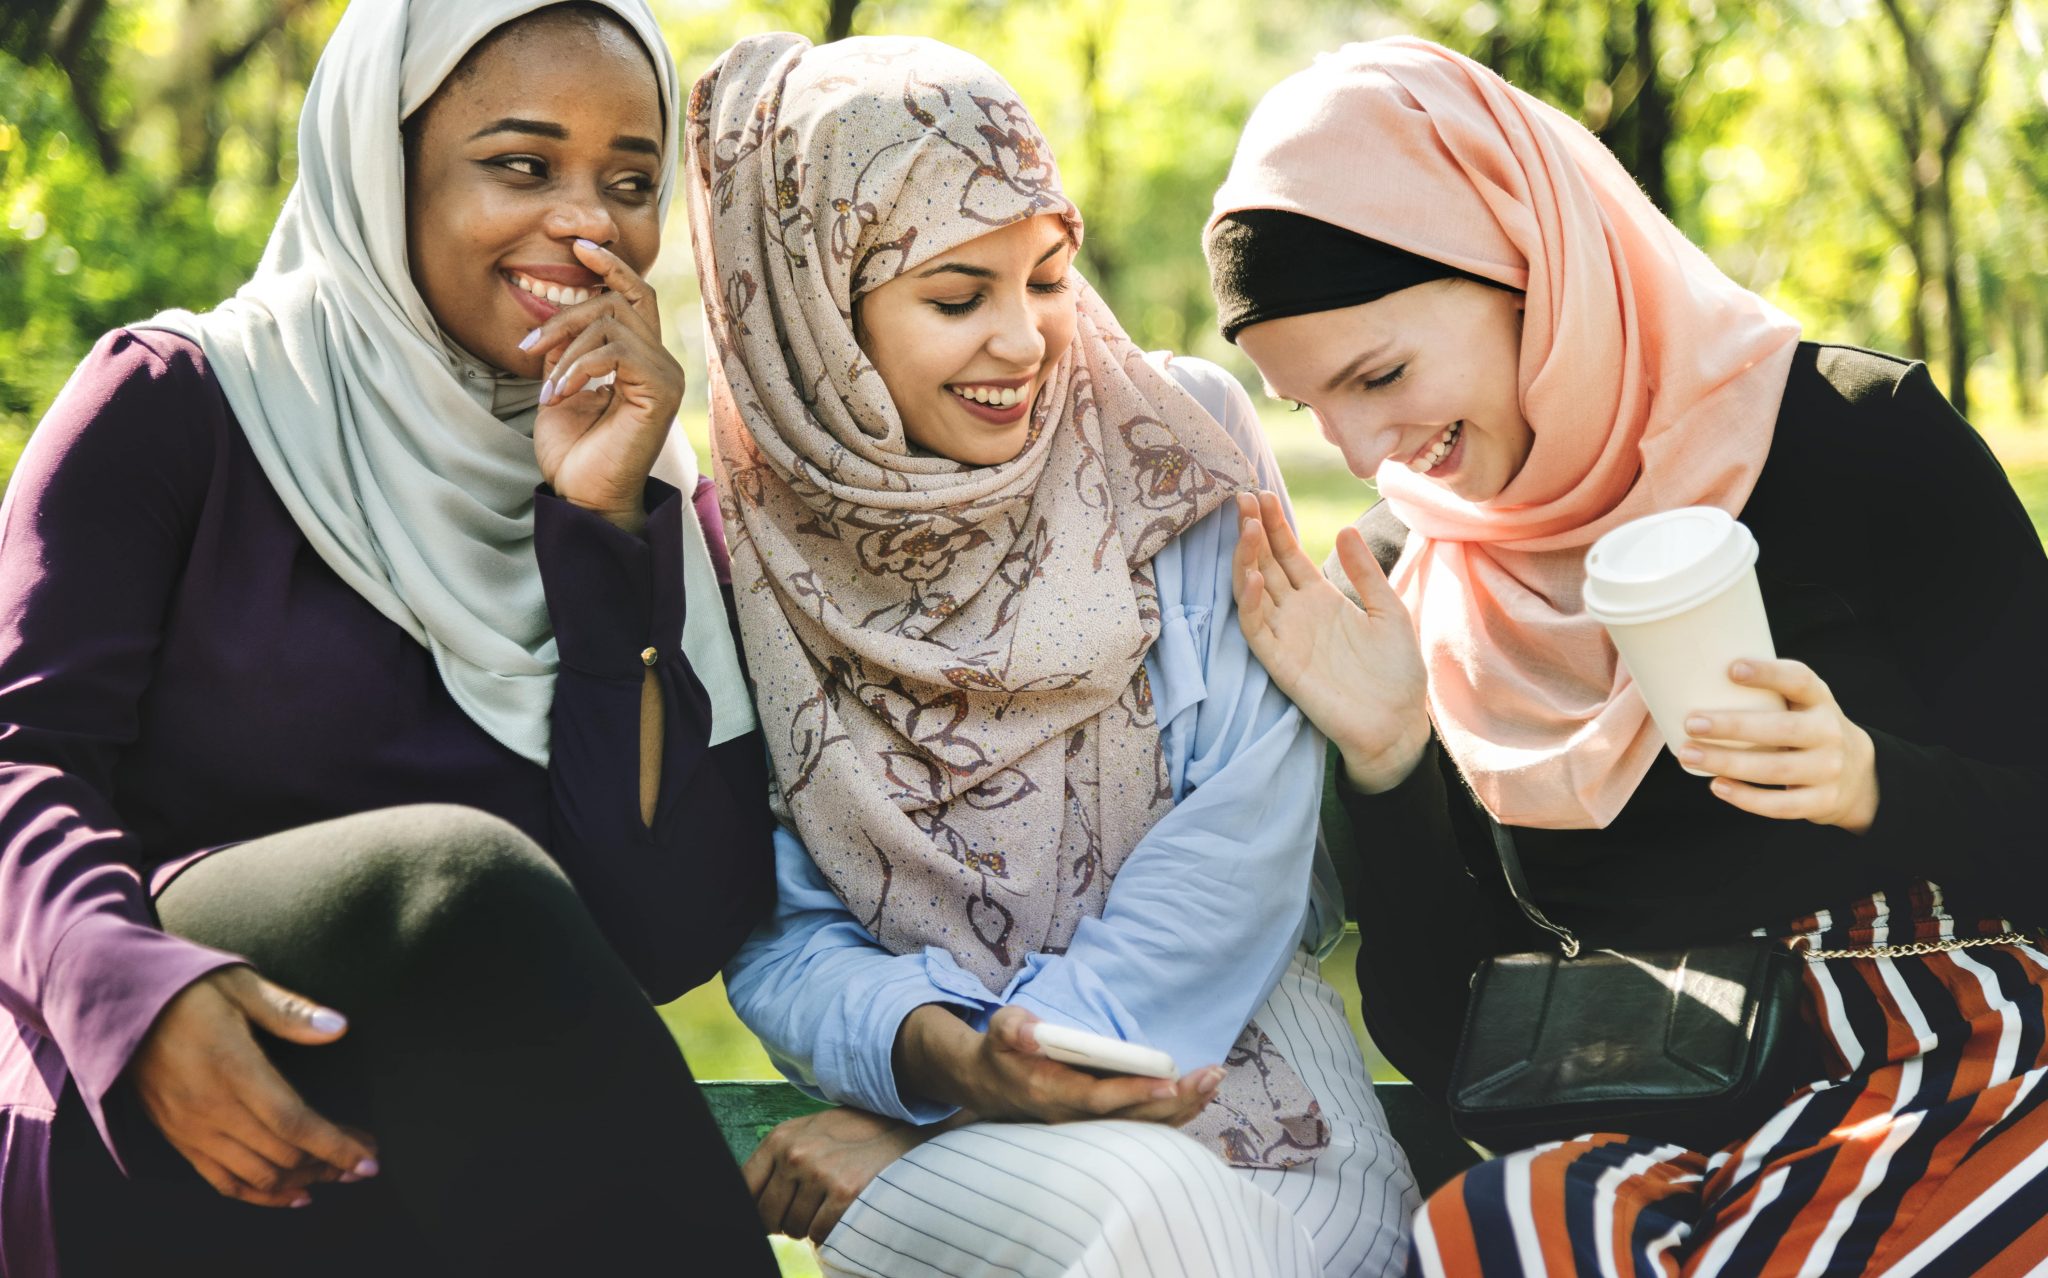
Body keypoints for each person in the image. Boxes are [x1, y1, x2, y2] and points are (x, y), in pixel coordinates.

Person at [1203, 35, 2048, 1275]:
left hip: (1946, 1045)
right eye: (1311, 407)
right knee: (1500, 1232)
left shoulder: (1851, 437)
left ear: (1530, 268)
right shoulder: (1400, 585)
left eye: (1380, 373)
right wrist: (1388, 761)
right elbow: (1453, 1044)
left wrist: (1873, 782)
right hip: (1653, 1099)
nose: (1368, 446)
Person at [0, 2, 779, 1273]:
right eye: (521, 166)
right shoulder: (179, 403)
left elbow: (659, 932)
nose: (588, 224)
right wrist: (128, 995)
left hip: (453, 1196)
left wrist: (595, 533)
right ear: (387, 162)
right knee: (447, 880)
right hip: (175, 1121)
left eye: (629, 182)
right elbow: (16, 760)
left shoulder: (646, 511)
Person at [689, 32, 1419, 1278]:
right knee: (1144, 1219)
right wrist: (947, 1067)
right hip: (932, 1116)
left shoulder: (1166, 439)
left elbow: (1242, 825)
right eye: (956, 296)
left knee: (1171, 1227)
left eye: (1046, 277)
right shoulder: (734, 554)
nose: (1027, 341)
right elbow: (778, 931)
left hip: (1243, 1086)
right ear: (815, 307)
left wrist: (986, 1097)